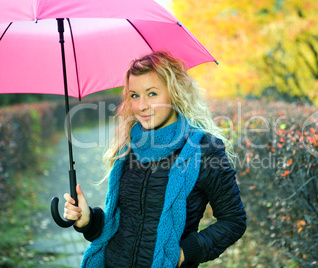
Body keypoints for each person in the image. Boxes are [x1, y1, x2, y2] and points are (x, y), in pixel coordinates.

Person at [63, 51, 247, 268]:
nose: (141, 106)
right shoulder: (128, 147)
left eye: (152, 94)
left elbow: (233, 221)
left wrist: (183, 253)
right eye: (134, 95)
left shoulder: (204, 149)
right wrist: (88, 221)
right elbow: (124, 225)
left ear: (174, 93)